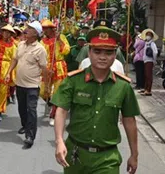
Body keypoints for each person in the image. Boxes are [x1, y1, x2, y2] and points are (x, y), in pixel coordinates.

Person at [53, 23, 140, 174]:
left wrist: (134, 154)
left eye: (108, 52)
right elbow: (61, 111)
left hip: (107, 158)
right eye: (97, 51)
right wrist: (59, 141)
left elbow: (129, 120)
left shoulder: (123, 86)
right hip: (76, 155)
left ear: (115, 55)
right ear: (89, 52)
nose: (102, 57)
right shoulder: (73, 81)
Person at [4, 21, 48, 148]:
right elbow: (15, 59)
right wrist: (8, 73)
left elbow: (44, 68)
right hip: (20, 84)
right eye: (27, 27)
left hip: (33, 85)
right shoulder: (21, 44)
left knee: (31, 110)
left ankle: (30, 136)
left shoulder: (40, 49)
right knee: (22, 108)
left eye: (30, 28)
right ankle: (25, 125)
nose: (26, 29)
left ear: (36, 33)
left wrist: (45, 86)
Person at [40, 19, 70, 126]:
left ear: (52, 29)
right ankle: (49, 103)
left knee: (58, 92)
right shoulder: (42, 41)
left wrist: (59, 40)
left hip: (59, 66)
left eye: (47, 29)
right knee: (43, 91)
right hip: (47, 67)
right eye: (44, 29)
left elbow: (66, 50)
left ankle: (53, 115)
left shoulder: (61, 37)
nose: (45, 31)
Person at [0, 24, 17, 121]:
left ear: (11, 34)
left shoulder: (13, 46)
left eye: (8, 32)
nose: (6, 34)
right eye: (4, 31)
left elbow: (14, 59)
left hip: (5, 68)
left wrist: (9, 73)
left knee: (3, 90)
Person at [141, 29, 158, 96]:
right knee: (146, 75)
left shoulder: (152, 43)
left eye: (149, 35)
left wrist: (154, 60)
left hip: (150, 61)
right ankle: (145, 88)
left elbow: (155, 52)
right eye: (147, 35)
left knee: (149, 75)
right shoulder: (146, 43)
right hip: (145, 60)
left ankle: (149, 90)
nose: (148, 36)